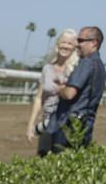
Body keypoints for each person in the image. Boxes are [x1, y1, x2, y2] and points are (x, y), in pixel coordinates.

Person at [43, 26, 106, 153]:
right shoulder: (100, 65)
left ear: (94, 42)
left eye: (81, 40)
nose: (77, 44)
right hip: (85, 125)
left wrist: (60, 89)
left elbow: (70, 93)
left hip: (69, 126)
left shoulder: (86, 62)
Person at [26, 28, 80, 157]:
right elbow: (40, 98)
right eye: (63, 42)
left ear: (74, 47)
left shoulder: (76, 70)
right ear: (57, 43)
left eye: (69, 44)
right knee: (43, 157)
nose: (65, 46)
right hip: (47, 122)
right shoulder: (47, 68)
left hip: (66, 123)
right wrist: (31, 124)